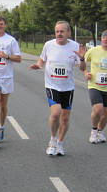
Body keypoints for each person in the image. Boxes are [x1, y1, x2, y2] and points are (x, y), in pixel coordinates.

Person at [29, 21, 86, 156]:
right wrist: (38, 65)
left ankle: (60, 143)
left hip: (67, 86)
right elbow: (42, 59)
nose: (59, 34)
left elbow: (82, 68)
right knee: (56, 113)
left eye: (62, 31)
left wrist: (82, 59)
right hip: (52, 85)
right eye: (57, 32)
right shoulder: (49, 45)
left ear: (68, 33)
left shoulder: (75, 46)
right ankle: (52, 140)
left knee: (65, 118)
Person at [0, 16, 22, 148]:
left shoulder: (11, 40)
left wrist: (7, 56)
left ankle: (2, 126)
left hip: (7, 77)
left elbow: (18, 58)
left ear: (5, 25)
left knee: (3, 105)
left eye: (1, 24)